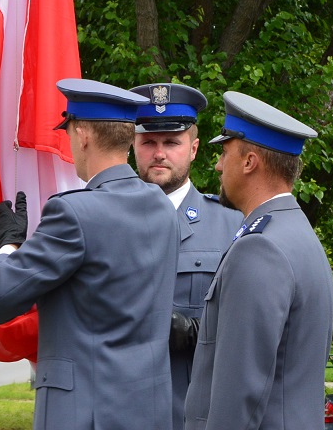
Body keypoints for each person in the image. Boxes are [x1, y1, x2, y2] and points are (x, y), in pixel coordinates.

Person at [0, 78, 179, 430]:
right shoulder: (161, 206)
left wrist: (9, 245)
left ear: (83, 134)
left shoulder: (73, 213)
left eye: (68, 131)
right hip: (148, 410)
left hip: (85, 413)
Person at [182, 91, 333, 430]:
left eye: (224, 153)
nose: (218, 165)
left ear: (250, 162)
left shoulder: (260, 248)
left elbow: (238, 396)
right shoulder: (298, 235)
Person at [129, 82, 243, 430]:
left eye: (172, 142)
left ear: (193, 149)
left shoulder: (232, 224)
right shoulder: (100, 221)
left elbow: (252, 327)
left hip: (193, 415)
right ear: (132, 146)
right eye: (148, 142)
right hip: (120, 411)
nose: (159, 153)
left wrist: (197, 331)